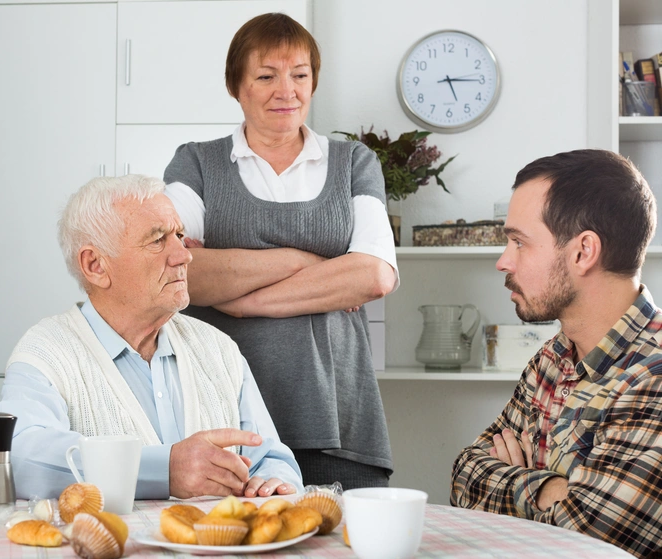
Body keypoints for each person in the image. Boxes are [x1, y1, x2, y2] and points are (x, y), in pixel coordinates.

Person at [162, 13, 398, 489]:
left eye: (300, 75)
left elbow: (373, 275)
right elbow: (175, 270)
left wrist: (240, 302)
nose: (285, 90)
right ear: (236, 86)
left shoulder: (353, 161)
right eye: (266, 76)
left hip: (335, 407)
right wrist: (309, 264)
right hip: (224, 411)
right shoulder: (198, 162)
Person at [0, 174, 301, 501]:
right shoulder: (45, 352)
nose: (184, 255)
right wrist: (164, 470)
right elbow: (22, 456)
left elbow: (271, 458)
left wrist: (273, 481)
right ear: (95, 264)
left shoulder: (219, 350)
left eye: (180, 235)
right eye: (157, 240)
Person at [450, 149, 662, 558]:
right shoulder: (553, 358)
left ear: (583, 252)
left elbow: (592, 538)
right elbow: (465, 475)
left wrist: (517, 480)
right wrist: (548, 487)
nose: (503, 261)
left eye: (519, 242)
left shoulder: (654, 375)